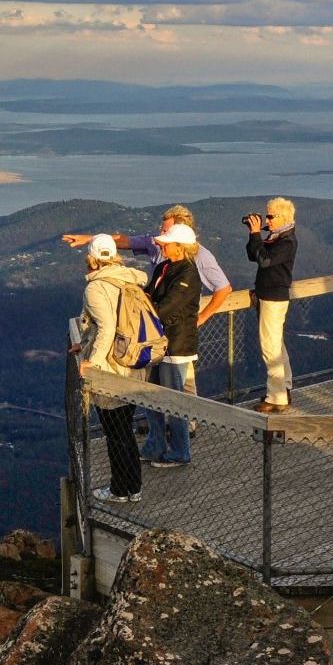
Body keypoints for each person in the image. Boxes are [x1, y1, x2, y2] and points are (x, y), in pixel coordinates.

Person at [64, 205, 233, 397]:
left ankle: (187, 426)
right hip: (155, 333)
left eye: (165, 231)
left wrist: (201, 317)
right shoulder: (160, 252)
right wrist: (90, 239)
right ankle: (167, 425)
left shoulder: (200, 258)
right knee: (159, 388)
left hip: (176, 332)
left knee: (182, 387)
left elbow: (224, 288)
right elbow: (124, 241)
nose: (159, 236)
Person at [68, 235, 155, 505]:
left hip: (111, 368)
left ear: (91, 258)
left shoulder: (96, 288)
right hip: (134, 362)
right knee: (124, 429)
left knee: (115, 433)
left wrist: (91, 362)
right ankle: (133, 487)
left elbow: (104, 326)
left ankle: (120, 489)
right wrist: (82, 343)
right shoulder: (130, 279)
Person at [141, 223, 202, 467]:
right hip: (159, 343)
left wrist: (144, 311)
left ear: (180, 247)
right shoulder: (164, 267)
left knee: (174, 401)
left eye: (167, 243)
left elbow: (167, 308)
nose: (162, 246)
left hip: (176, 346)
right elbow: (150, 296)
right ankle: (155, 446)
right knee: (152, 397)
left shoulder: (187, 273)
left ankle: (180, 451)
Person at [245, 197, 298, 413]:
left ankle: (276, 398)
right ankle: (284, 388)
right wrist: (254, 234)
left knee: (270, 349)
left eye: (270, 216)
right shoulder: (277, 237)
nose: (267, 219)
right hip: (270, 297)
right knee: (277, 346)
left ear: (283, 218)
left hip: (274, 299)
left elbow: (265, 260)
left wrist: (257, 234)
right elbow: (254, 255)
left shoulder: (287, 242)